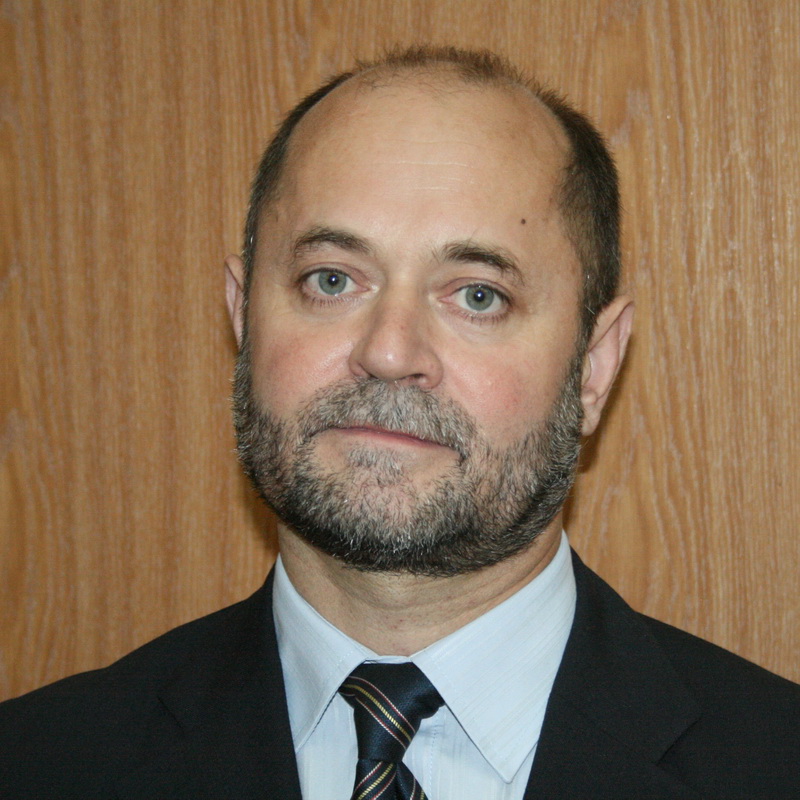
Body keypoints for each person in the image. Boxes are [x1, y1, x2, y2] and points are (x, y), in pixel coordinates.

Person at [1, 46, 798, 800]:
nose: (388, 352)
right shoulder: (38, 765)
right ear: (243, 319)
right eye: (331, 280)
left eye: (478, 295)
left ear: (592, 368)